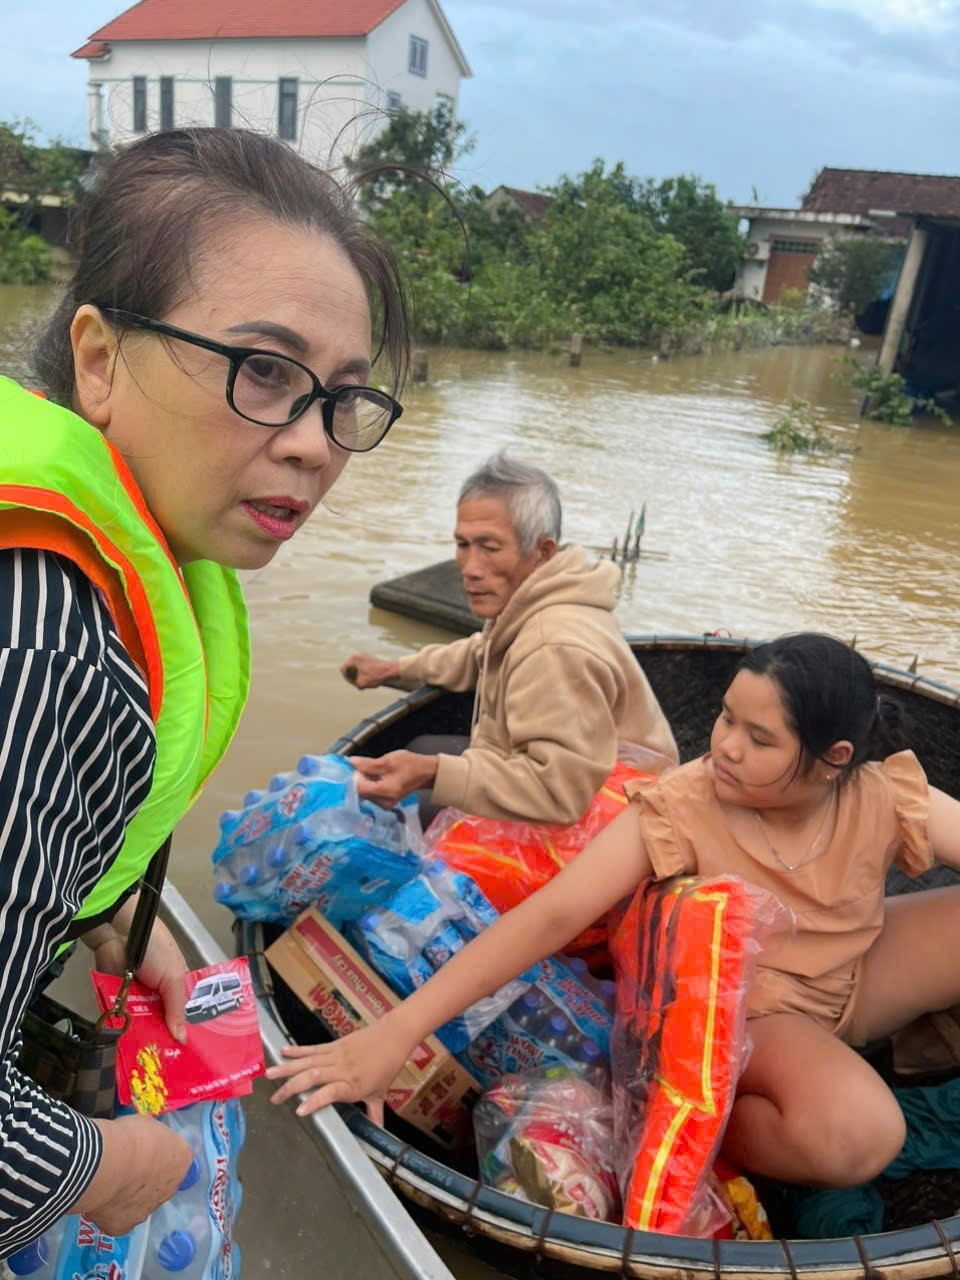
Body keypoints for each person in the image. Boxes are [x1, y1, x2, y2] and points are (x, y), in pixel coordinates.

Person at [0, 125, 408, 1256]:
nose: (317, 445)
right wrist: (105, 1161)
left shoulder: (103, 559)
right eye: (265, 371)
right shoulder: (53, 653)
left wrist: (117, 921)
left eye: (343, 399)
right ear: (97, 359)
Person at [270, 634, 960, 1190]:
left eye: (760, 737)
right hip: (755, 1018)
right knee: (860, 1134)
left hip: (857, 974)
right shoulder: (684, 806)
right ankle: (729, 1133)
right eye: (724, 717)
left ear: (833, 759)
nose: (724, 744)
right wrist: (396, 1034)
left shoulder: (880, 791)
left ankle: (906, 1051)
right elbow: (547, 919)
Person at [341, 451, 678, 825]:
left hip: (617, 820)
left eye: (489, 547)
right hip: (567, 780)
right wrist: (392, 670)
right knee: (422, 750)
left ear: (542, 551)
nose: (470, 569)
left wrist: (431, 772)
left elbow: (559, 793)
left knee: (401, 813)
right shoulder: (536, 600)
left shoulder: (553, 645)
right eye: (463, 544)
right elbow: (480, 654)